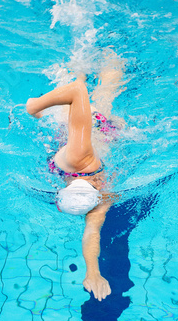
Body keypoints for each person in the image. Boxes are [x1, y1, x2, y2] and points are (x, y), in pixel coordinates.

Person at [25, 51, 126, 302]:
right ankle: (104, 51)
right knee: (109, 93)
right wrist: (93, 272)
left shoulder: (81, 158)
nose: (103, 185)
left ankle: (93, 46)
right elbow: (92, 231)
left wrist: (35, 107)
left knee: (87, 79)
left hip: (92, 126)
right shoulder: (92, 194)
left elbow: (77, 90)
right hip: (91, 137)